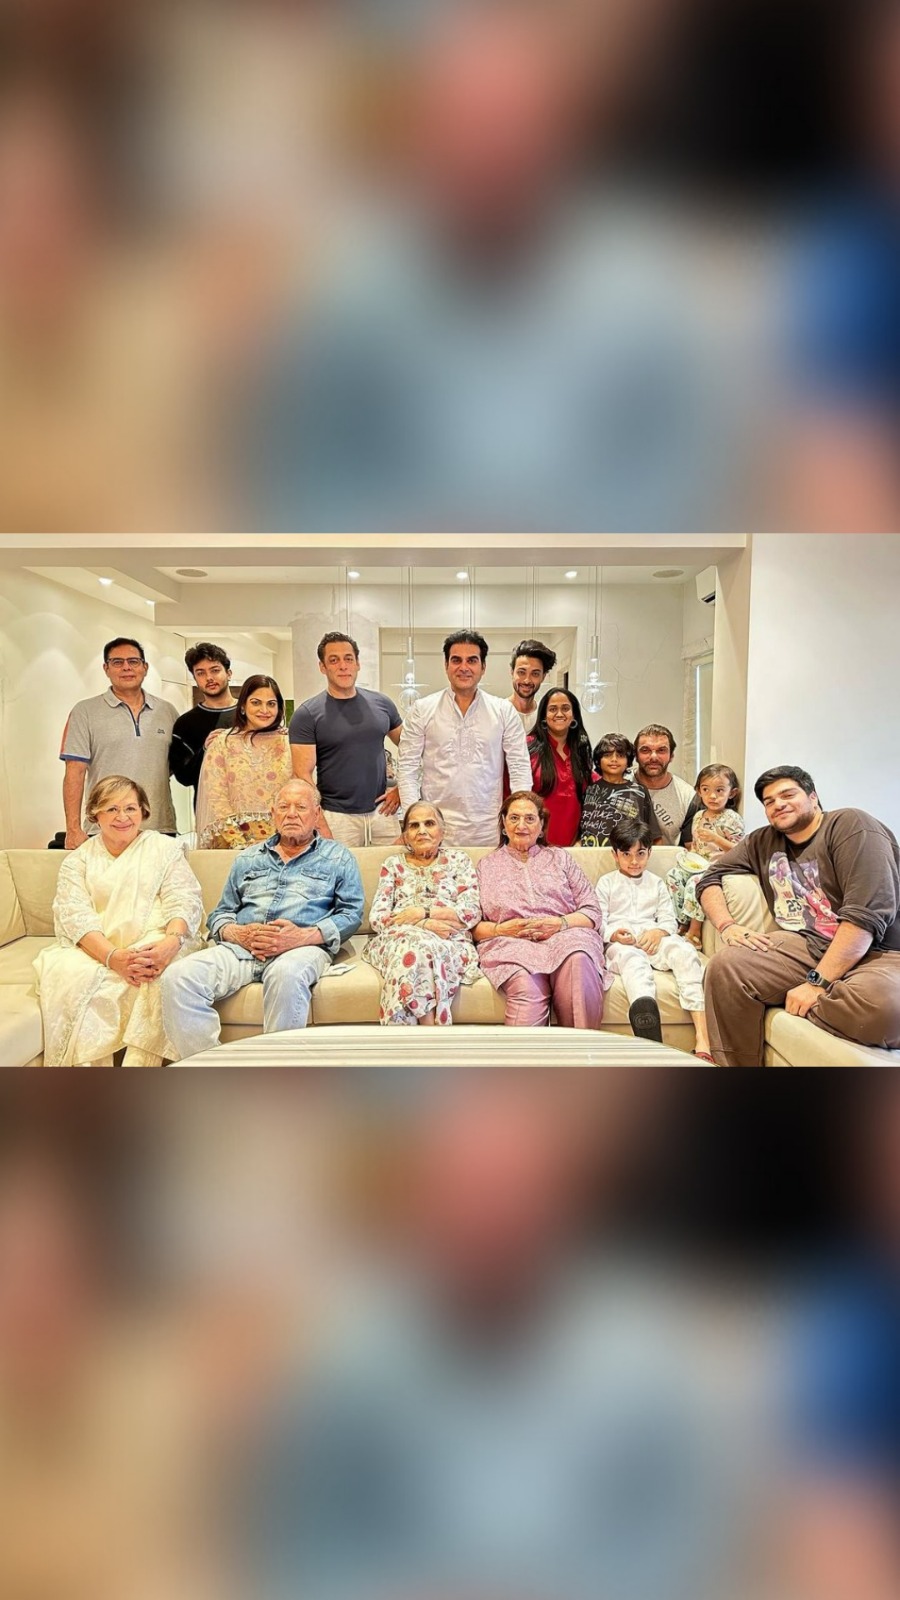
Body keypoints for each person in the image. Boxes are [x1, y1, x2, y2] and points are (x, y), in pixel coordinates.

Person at [697, 766, 900, 1067]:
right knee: (726, 967)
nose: (778, 804)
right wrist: (728, 926)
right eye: (769, 801)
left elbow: (865, 918)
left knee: (887, 1010)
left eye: (787, 795)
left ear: (813, 797)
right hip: (808, 946)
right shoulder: (761, 842)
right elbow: (709, 878)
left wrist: (817, 984)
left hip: (879, 952)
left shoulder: (851, 826)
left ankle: (811, 995)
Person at [162, 779, 364, 1058]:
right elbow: (221, 914)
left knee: (287, 974)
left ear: (317, 814)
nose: (291, 814)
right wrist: (238, 933)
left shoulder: (338, 857)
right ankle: (211, 1071)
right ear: (273, 813)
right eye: (283, 807)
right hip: (241, 950)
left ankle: (275, 1075)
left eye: (301, 807)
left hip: (301, 949)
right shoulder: (247, 859)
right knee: (177, 978)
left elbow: (351, 914)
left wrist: (301, 936)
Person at [32, 776, 203, 1066]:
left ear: (143, 811)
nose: (122, 817)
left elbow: (183, 899)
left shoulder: (164, 849)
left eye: (130, 808)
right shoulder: (77, 861)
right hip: (98, 948)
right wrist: (113, 958)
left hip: (158, 939)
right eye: (111, 809)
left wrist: (171, 943)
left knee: (158, 974)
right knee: (71, 976)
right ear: (94, 814)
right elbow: (75, 917)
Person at [474, 790, 607, 1028]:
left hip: (566, 938)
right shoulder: (486, 865)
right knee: (526, 988)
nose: (521, 825)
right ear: (503, 823)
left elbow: (592, 911)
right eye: (514, 818)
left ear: (541, 825)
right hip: (511, 945)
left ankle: (583, 1049)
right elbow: (472, 926)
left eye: (529, 818)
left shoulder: (560, 858)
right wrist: (502, 929)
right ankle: (528, 1054)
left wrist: (560, 924)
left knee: (578, 961)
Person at [398, 630, 531, 846]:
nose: (464, 667)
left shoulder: (503, 711)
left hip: (488, 827)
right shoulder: (422, 709)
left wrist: (520, 819)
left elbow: (519, 767)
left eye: (472, 660)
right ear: (446, 665)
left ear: (483, 667)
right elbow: (407, 767)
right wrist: (411, 821)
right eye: (456, 660)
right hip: (434, 828)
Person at [597, 819, 712, 1062]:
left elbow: (668, 920)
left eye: (640, 853)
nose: (634, 861)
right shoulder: (607, 883)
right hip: (622, 945)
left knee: (685, 951)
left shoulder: (656, 883)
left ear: (650, 852)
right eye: (626, 854)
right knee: (634, 964)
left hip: (653, 938)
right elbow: (599, 921)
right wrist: (614, 934)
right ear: (615, 855)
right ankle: (648, 1030)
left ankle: (703, 1038)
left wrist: (659, 932)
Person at [363, 802, 481, 1026]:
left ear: (443, 830)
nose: (422, 831)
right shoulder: (393, 864)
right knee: (418, 948)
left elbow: (471, 912)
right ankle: (431, 1031)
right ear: (406, 835)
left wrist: (423, 912)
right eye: (414, 825)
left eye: (429, 823)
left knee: (421, 950)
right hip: (398, 939)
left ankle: (406, 1036)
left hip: (449, 940)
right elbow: (378, 918)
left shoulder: (459, 861)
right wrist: (423, 925)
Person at [60, 638, 178, 848]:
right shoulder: (85, 711)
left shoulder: (167, 711)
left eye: (133, 661)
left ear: (145, 667)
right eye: (117, 662)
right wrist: (73, 829)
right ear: (106, 669)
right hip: (105, 827)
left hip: (159, 827)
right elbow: (74, 772)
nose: (126, 667)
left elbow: (172, 767)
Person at [289, 631, 403, 846]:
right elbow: (302, 775)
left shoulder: (382, 704)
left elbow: (411, 748)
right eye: (334, 660)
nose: (343, 666)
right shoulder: (307, 714)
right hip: (336, 817)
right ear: (322, 667)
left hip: (383, 812)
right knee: (339, 868)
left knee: (391, 865)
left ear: (357, 664)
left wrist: (401, 789)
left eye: (348, 659)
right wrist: (320, 822)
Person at [194, 675, 293, 850]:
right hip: (234, 843)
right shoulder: (223, 743)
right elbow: (216, 796)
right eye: (256, 703)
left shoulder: (289, 743)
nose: (264, 710)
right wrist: (239, 842)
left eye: (271, 704)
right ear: (242, 706)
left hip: (285, 842)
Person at [666, 765, 745, 946]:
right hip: (698, 864)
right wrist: (688, 856)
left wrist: (716, 838)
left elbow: (740, 851)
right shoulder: (698, 816)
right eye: (706, 790)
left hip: (719, 868)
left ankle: (695, 930)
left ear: (732, 793)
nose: (712, 796)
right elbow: (696, 845)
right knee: (674, 875)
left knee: (695, 883)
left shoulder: (731, 818)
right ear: (699, 791)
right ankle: (681, 921)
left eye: (719, 790)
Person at [169, 642, 238, 805]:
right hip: (209, 809)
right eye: (200, 673)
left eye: (215, 670)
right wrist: (206, 750)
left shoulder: (250, 714)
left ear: (229, 674)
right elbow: (184, 777)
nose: (209, 678)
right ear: (195, 679)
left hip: (255, 806)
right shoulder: (185, 724)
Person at [527, 688, 594, 847]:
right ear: (544, 716)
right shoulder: (527, 747)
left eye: (565, 708)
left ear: (574, 715)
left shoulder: (581, 749)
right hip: (533, 844)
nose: (559, 714)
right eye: (552, 709)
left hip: (573, 845)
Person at [578, 732, 661, 846]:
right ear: (598, 759)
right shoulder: (588, 790)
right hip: (590, 854)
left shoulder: (639, 792)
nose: (614, 759)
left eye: (620, 755)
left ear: (628, 761)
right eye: (607, 755)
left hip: (628, 855)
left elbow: (655, 836)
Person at [632, 724, 697, 845]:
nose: (653, 757)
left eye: (661, 750)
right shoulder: (619, 784)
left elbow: (689, 847)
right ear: (635, 756)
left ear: (671, 756)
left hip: (666, 857)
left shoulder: (688, 797)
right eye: (645, 750)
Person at [508, 639, 557, 734]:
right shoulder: (498, 713)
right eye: (521, 672)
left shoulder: (546, 716)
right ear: (512, 672)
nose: (527, 680)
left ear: (543, 677)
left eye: (535, 674)